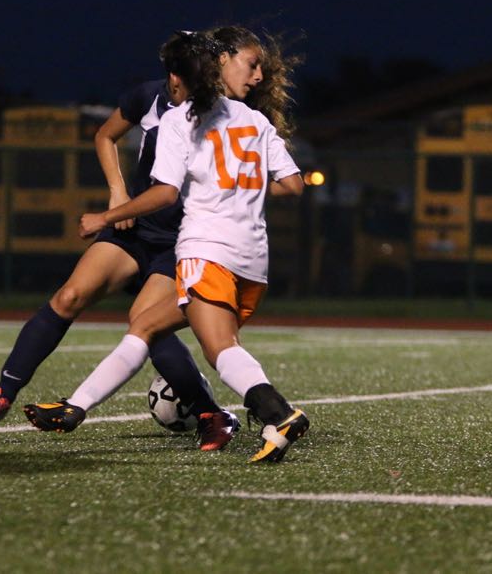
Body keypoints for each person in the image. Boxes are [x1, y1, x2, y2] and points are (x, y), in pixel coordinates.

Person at [25, 26, 309, 463]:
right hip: (253, 261)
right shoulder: (257, 121)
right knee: (145, 326)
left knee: (221, 350)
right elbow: (292, 185)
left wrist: (106, 216)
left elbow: (164, 194)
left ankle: (278, 412)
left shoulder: (181, 120)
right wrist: (240, 191)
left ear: (184, 76)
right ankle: (74, 407)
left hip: (207, 251)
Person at [0, 31, 246, 450]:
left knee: (146, 325)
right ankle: (2, 393)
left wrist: (111, 214)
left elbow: (182, 190)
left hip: (183, 241)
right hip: (135, 228)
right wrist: (118, 191)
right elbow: (104, 136)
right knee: (70, 296)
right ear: (173, 78)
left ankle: (210, 414)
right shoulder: (150, 98)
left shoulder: (227, 116)